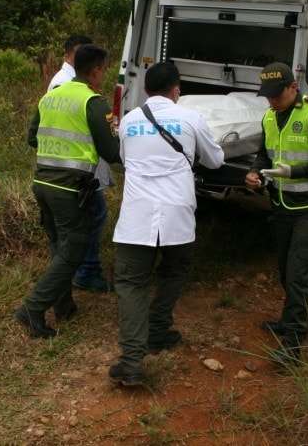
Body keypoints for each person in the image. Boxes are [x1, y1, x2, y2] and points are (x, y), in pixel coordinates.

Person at [108, 61, 224, 387]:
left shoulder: (129, 121)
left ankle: (131, 362)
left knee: (131, 284)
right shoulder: (191, 117)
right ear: (177, 90)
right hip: (177, 215)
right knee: (174, 271)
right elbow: (215, 161)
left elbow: (127, 161)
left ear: (145, 90)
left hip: (136, 216)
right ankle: (158, 330)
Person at [15, 44, 120, 338]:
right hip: (70, 187)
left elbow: (32, 138)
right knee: (73, 249)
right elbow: (111, 152)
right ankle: (32, 309)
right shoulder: (94, 102)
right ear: (97, 70)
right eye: (103, 70)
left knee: (58, 246)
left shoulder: (50, 97)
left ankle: (64, 306)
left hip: (43, 183)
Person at [244, 62, 308, 362]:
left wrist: (295, 171)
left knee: (298, 273)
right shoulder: (269, 118)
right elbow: (265, 155)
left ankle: (294, 344)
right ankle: (289, 320)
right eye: (268, 96)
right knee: (286, 270)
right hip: (283, 205)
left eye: (278, 94)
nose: (272, 100)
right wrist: (255, 174)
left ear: (293, 87)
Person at [46, 35, 112, 293]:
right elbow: (104, 143)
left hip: (58, 171)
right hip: (76, 173)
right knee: (90, 219)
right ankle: (85, 271)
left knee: (77, 225)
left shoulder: (62, 86)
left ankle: (74, 275)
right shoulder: (72, 88)